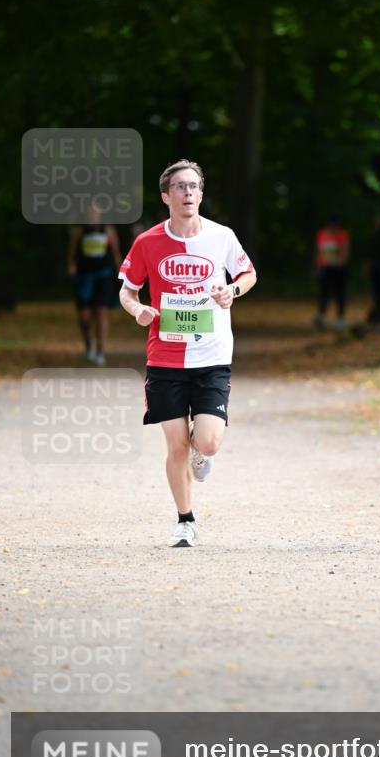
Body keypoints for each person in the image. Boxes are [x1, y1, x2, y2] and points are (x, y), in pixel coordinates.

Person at [118, 159, 257, 547]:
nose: (188, 193)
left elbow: (248, 273)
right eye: (179, 187)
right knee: (175, 444)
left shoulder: (222, 236)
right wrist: (138, 309)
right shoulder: (147, 242)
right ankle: (185, 520)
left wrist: (234, 291)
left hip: (212, 355)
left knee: (208, 442)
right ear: (166, 196)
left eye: (194, 186)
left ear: (201, 194)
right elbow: (127, 290)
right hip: (164, 357)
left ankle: (202, 453)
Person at [67, 204, 121, 365]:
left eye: (95, 213)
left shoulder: (108, 230)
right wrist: (71, 265)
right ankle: (88, 344)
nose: (93, 216)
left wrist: (121, 272)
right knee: (84, 316)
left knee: (101, 312)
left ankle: (100, 350)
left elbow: (116, 253)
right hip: (84, 276)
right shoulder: (79, 231)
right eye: (90, 213)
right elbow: (71, 253)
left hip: (103, 275)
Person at [314, 217, 350, 330]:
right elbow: (318, 250)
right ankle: (321, 315)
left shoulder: (342, 235)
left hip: (338, 268)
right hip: (325, 267)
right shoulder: (321, 235)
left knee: (339, 293)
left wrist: (342, 262)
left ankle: (340, 318)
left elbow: (345, 251)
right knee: (323, 292)